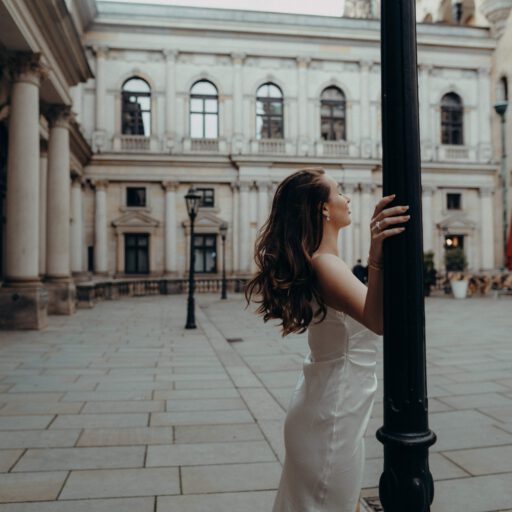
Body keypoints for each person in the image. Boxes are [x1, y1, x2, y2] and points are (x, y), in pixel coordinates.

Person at [245, 168, 410, 512]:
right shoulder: (326, 265)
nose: (347, 199)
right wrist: (377, 257)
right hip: (332, 416)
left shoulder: (324, 263)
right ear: (323, 208)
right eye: (339, 192)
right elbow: (378, 321)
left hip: (329, 409)